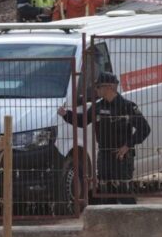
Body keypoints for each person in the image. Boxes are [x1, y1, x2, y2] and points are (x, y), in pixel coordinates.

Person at [57, 71, 150, 204]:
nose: (96, 89)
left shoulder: (127, 107)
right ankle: (109, 224)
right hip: (104, 156)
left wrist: (127, 145)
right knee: (106, 195)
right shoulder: (98, 107)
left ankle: (130, 223)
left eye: (98, 86)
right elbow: (82, 120)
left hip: (121, 158)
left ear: (110, 87)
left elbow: (145, 129)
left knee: (124, 193)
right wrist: (66, 114)